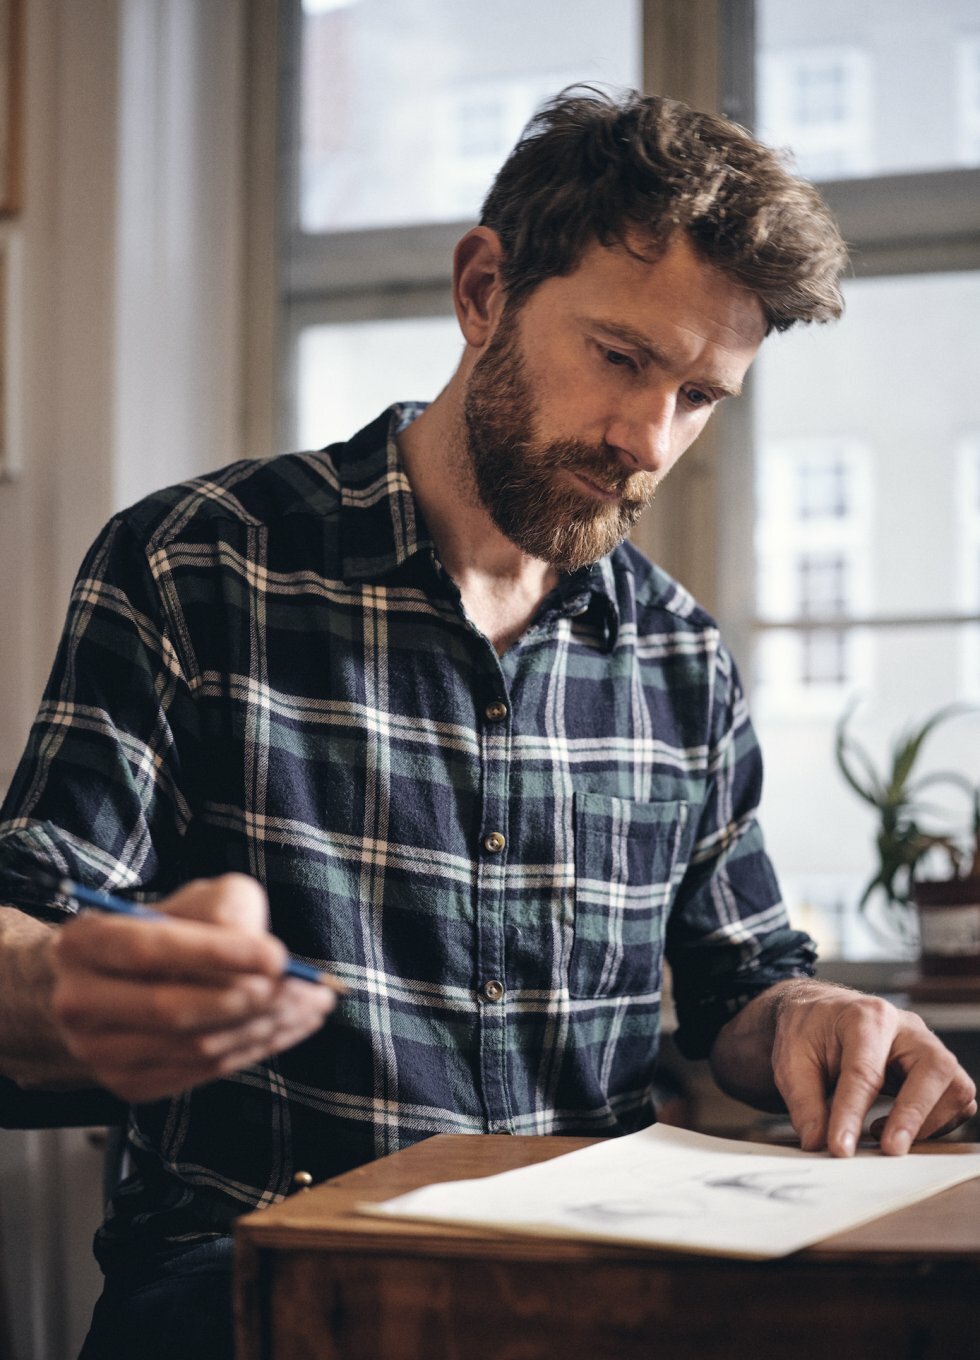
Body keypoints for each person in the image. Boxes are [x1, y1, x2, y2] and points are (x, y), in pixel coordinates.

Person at [0, 88, 974, 1358]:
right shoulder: (200, 565)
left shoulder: (678, 653)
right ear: (481, 292)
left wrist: (805, 1017)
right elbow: (30, 914)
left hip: (587, 1287)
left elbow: (739, 982)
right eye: (621, 359)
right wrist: (61, 983)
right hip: (256, 1281)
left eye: (699, 397)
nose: (645, 439)